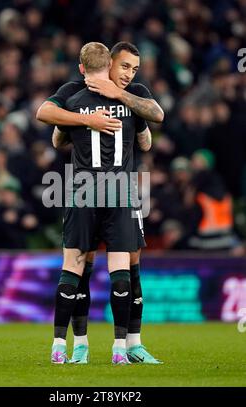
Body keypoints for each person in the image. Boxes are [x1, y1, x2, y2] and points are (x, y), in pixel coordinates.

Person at [37, 42, 163, 364]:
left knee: (98, 264)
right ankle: (105, 345)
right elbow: (146, 140)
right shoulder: (74, 90)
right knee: (105, 265)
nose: (129, 74)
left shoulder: (131, 92)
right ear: (109, 64)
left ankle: (109, 345)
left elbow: (55, 136)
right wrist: (90, 121)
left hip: (89, 190)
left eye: (134, 69)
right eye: (124, 67)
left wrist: (91, 113)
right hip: (113, 190)